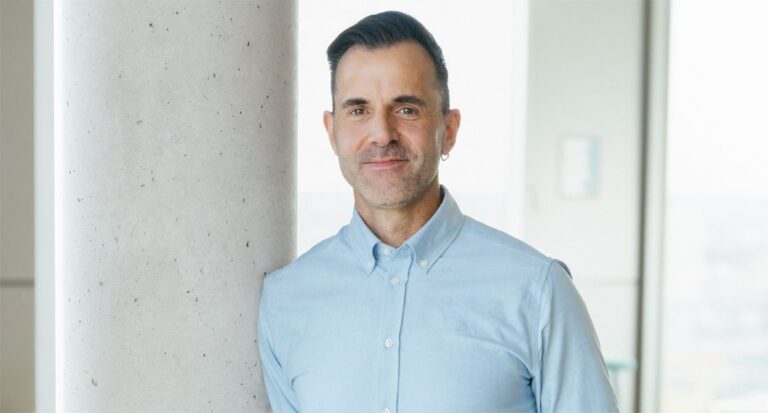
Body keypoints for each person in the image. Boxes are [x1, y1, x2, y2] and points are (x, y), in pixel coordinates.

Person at [258, 10, 619, 413]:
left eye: (406, 109)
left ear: (448, 130)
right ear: (332, 132)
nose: (382, 134)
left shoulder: (537, 291)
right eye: (358, 110)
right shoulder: (286, 299)